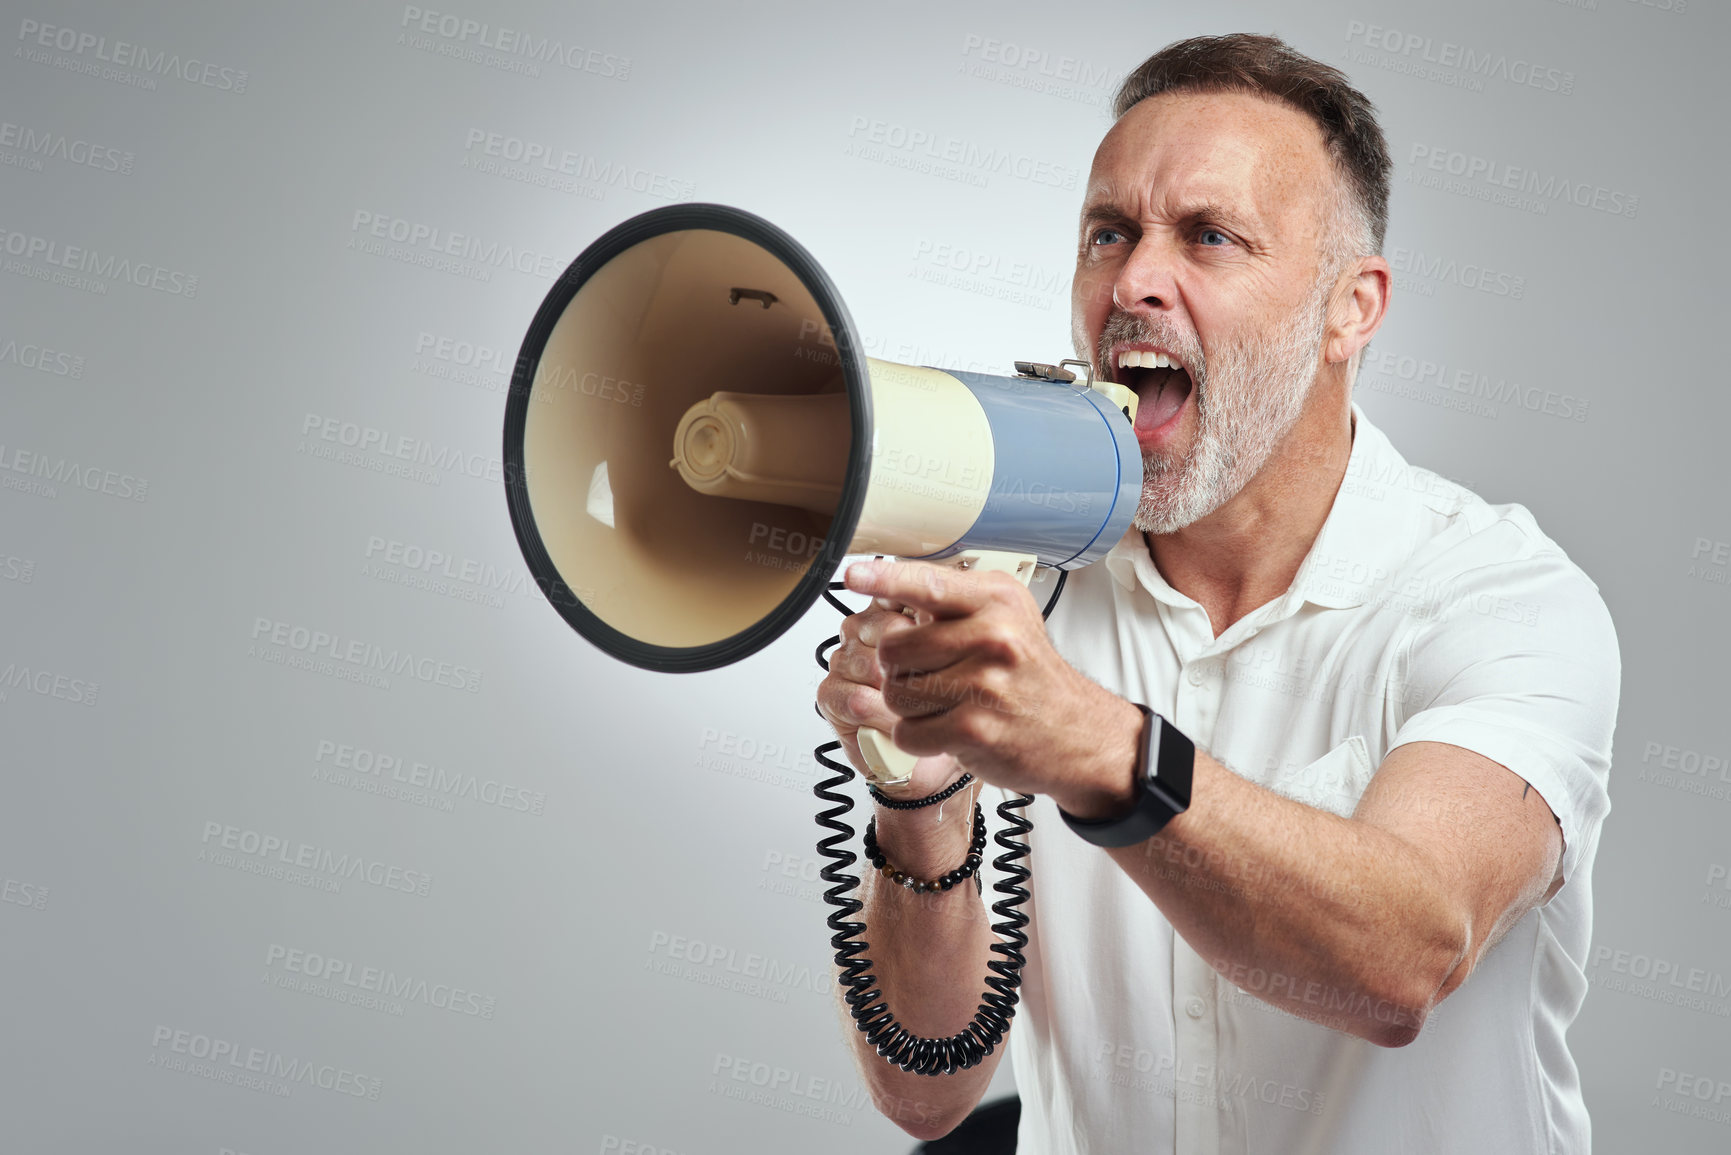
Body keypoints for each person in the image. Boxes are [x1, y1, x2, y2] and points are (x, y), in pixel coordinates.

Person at [816, 33, 1619, 1155]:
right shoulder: (1018, 577)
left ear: (1352, 310)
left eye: (1209, 237)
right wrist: (921, 797)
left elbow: (1407, 959)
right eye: (1109, 234)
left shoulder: (1500, 598)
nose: (1135, 281)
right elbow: (927, 1095)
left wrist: (1097, 750)